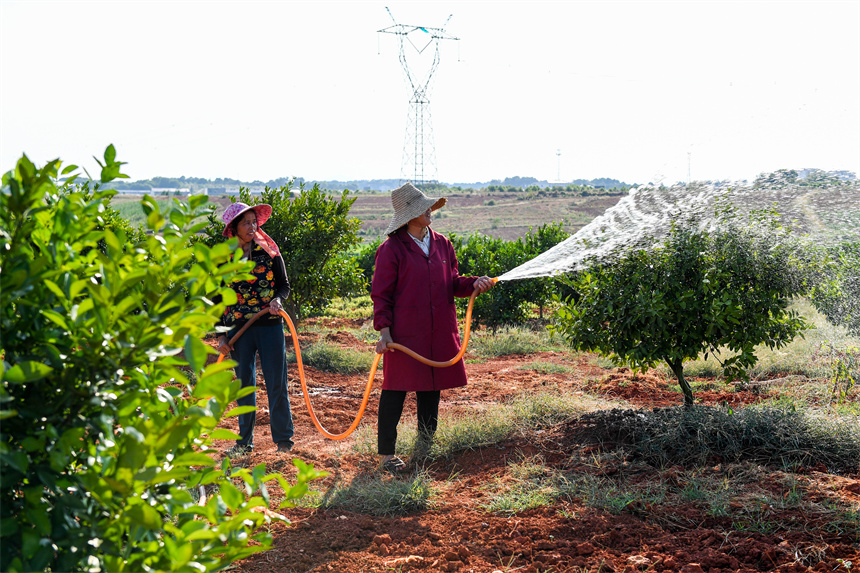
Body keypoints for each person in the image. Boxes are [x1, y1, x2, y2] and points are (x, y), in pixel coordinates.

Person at [371, 183, 495, 473]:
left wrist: (474, 283)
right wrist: (385, 332)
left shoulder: (442, 243)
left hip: (438, 329)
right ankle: (386, 456)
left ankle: (425, 447)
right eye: (422, 207)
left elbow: (452, 281)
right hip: (404, 334)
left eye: (428, 206)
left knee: (432, 388)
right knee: (395, 390)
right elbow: (382, 295)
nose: (429, 210)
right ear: (407, 216)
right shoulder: (391, 249)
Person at [215, 202, 295, 458]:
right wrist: (220, 334)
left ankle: (284, 441)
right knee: (245, 385)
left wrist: (277, 300)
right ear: (234, 228)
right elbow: (218, 299)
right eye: (246, 223)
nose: (252, 227)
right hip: (239, 331)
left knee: (276, 383)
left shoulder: (270, 252)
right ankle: (244, 443)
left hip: (269, 325)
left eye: (254, 222)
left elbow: (283, 285)